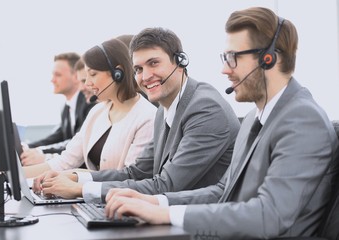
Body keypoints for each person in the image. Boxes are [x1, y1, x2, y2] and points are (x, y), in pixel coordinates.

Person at [103, 7, 339, 239]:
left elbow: (269, 216)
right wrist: (154, 202)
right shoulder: (253, 119)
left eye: (233, 58)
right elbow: (223, 192)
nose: (224, 69)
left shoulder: (303, 120)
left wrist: (167, 214)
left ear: (269, 59)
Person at [32, 27, 240, 202]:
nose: (146, 76)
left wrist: (81, 190)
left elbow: (167, 185)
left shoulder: (205, 109)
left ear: (180, 62)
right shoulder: (165, 110)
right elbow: (135, 173)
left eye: (154, 63)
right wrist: (77, 177)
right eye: (138, 69)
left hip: (201, 225)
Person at [17, 38, 157, 178]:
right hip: (91, 195)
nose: (88, 84)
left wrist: (76, 179)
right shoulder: (97, 112)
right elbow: (65, 162)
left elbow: (130, 176)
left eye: (93, 74)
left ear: (117, 73)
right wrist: (13, 175)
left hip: (116, 197)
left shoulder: (147, 117)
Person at [20, 53, 91, 166]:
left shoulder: (89, 102)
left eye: (58, 75)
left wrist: (40, 152)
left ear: (76, 76)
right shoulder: (66, 107)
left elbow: (77, 144)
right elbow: (57, 136)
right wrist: (28, 147)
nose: (52, 80)